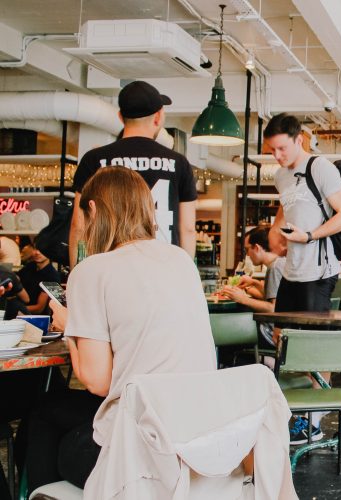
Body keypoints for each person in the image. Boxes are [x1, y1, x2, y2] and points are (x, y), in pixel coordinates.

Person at [24, 166, 216, 491]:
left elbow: (97, 382)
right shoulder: (180, 260)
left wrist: (71, 326)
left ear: (94, 209)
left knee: (45, 421)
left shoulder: (92, 270)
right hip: (193, 434)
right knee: (49, 410)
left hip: (143, 453)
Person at [263, 113, 341, 443]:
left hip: (319, 270)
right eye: (272, 150)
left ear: (299, 140)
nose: (277, 156)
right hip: (292, 270)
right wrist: (278, 232)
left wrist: (311, 235)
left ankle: (313, 422)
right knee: (281, 340)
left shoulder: (320, 168)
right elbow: (287, 207)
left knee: (315, 348)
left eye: (282, 149)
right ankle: (288, 410)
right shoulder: (280, 176)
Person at [69, 80, 198, 266]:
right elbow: (187, 229)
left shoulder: (94, 160)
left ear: (120, 117)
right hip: (163, 267)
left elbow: (79, 225)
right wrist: (186, 275)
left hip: (110, 266)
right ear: (158, 117)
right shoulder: (178, 163)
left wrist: (76, 274)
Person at [220, 226, 285, 349]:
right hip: (282, 331)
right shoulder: (280, 262)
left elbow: (274, 309)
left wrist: (243, 299)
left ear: (257, 247)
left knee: (227, 328)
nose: (247, 254)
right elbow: (276, 297)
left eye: (247, 249)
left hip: (271, 333)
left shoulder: (274, 268)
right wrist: (254, 283)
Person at [16, 236, 61, 315]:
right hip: (20, 313)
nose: (37, 252)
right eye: (35, 248)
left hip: (38, 319)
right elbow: (15, 280)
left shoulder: (52, 276)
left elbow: (39, 308)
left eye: (42, 250)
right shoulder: (30, 266)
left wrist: (15, 309)